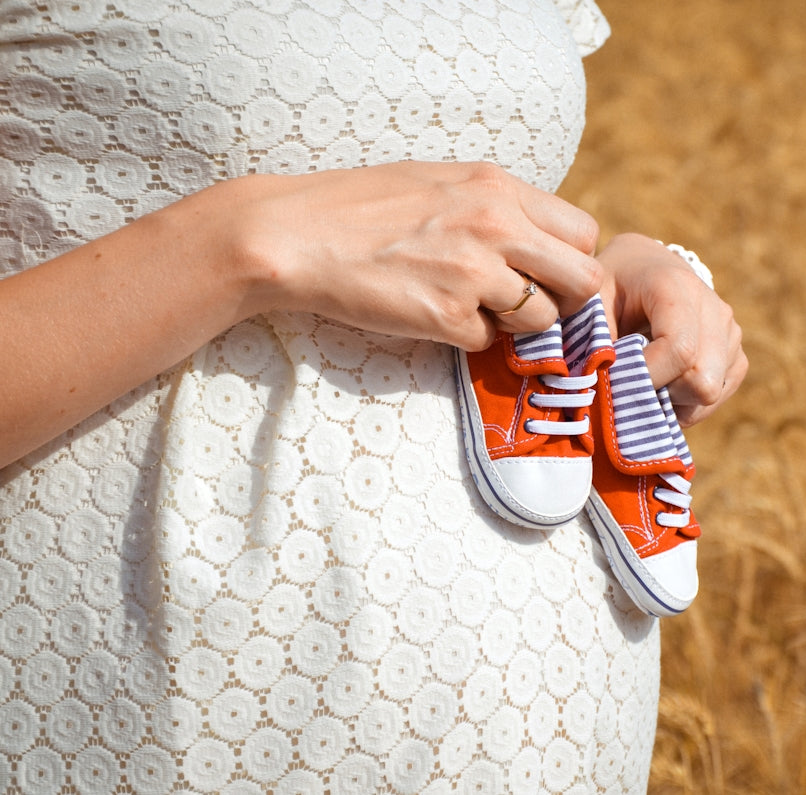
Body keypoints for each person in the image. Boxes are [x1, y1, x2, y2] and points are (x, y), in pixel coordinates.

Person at [0, 1, 747, 792]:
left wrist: (591, 271)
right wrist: (246, 243)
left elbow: (450, 170)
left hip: (543, 730)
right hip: (168, 721)